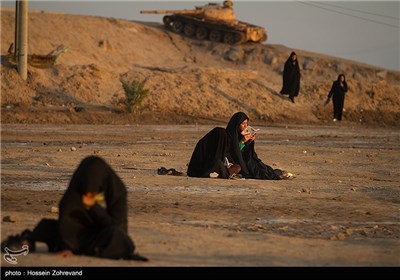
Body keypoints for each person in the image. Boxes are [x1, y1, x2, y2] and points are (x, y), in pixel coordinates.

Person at [1, 156, 148, 261]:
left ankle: (80, 248)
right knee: (46, 226)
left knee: (117, 237)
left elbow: (116, 225)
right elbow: (67, 215)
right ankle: (29, 241)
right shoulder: (79, 187)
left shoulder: (117, 191)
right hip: (75, 231)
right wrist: (68, 244)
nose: (89, 192)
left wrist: (93, 207)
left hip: (101, 234)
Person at [226, 112, 292, 180]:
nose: (245, 126)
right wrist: (242, 141)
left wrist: (250, 141)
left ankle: (279, 173)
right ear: (237, 124)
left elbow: (248, 151)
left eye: (246, 123)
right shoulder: (230, 135)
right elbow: (234, 152)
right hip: (238, 161)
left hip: (247, 159)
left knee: (263, 168)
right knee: (257, 172)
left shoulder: (242, 134)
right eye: (243, 124)